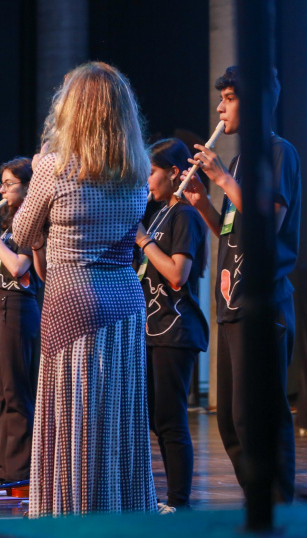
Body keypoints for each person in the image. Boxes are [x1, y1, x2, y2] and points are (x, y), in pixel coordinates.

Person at [12, 61, 156, 516]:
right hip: (127, 302)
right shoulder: (139, 170)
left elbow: (19, 234)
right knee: (117, 422)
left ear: (70, 111)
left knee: (73, 422)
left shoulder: (54, 167)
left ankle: (70, 513)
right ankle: (120, 510)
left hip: (74, 301)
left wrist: (38, 174)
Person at [181, 66, 300, 503]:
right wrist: (201, 206)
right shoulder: (238, 162)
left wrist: (222, 181)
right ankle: (259, 500)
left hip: (263, 306)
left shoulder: (277, 153)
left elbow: (270, 224)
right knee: (232, 422)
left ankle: (279, 507)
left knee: (261, 417)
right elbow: (234, 234)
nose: (219, 107)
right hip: (232, 306)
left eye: (229, 97)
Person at [135, 138, 209, 513]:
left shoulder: (185, 216)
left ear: (175, 173)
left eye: (151, 171)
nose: (146, 180)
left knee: (171, 419)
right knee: (156, 419)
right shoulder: (158, 212)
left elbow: (178, 275)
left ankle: (180, 503)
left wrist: (144, 241)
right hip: (152, 329)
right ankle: (166, 499)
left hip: (175, 330)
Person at [0, 157, 40, 484]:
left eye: (9, 183)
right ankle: (5, 471)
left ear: (28, 187)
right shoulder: (8, 223)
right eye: (1, 183)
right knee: (2, 393)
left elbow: (18, 268)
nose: (1, 189)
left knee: (17, 392)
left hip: (18, 307)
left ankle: (20, 472)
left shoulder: (33, 222)